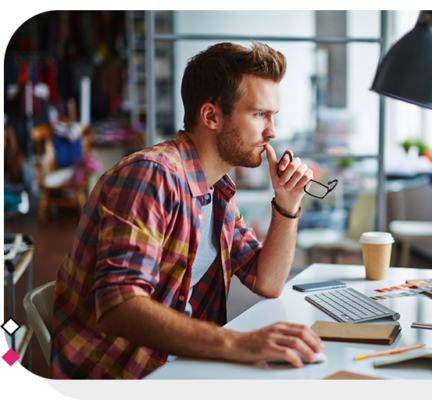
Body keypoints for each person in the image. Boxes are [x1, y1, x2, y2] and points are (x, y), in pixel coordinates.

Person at [50, 41, 323, 379]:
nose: (272, 131)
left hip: (179, 366)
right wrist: (236, 344)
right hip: (120, 376)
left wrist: (287, 203)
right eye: (259, 114)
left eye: (272, 116)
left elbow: (266, 280)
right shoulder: (150, 176)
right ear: (211, 116)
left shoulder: (217, 190)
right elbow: (118, 305)